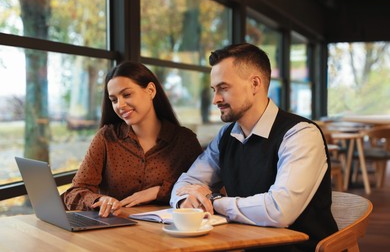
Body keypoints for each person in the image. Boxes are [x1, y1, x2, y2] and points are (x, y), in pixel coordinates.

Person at [170, 43, 338, 251]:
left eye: (223, 88)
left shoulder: (301, 134)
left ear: (255, 84)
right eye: (214, 90)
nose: (215, 99)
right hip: (246, 244)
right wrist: (186, 201)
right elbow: (188, 182)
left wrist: (212, 200)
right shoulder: (226, 135)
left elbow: (279, 210)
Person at [62, 61, 203, 218]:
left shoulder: (184, 141)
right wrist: (101, 200)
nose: (120, 105)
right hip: (114, 232)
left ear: (150, 90)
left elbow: (203, 188)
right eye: (114, 100)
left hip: (167, 234)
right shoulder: (106, 137)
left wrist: (159, 192)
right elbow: (74, 192)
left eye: (127, 95)